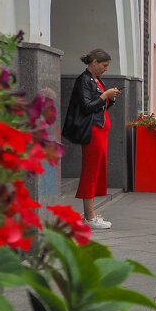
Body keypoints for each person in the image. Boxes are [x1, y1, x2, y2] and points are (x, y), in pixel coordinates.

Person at [68, 49, 122, 231]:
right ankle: (89, 217)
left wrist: (110, 98)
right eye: (104, 65)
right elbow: (86, 107)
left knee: (97, 169)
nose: (106, 69)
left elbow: (99, 105)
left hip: (100, 131)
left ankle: (90, 214)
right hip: (93, 133)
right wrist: (104, 96)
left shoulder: (95, 80)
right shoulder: (83, 80)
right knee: (91, 171)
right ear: (94, 63)